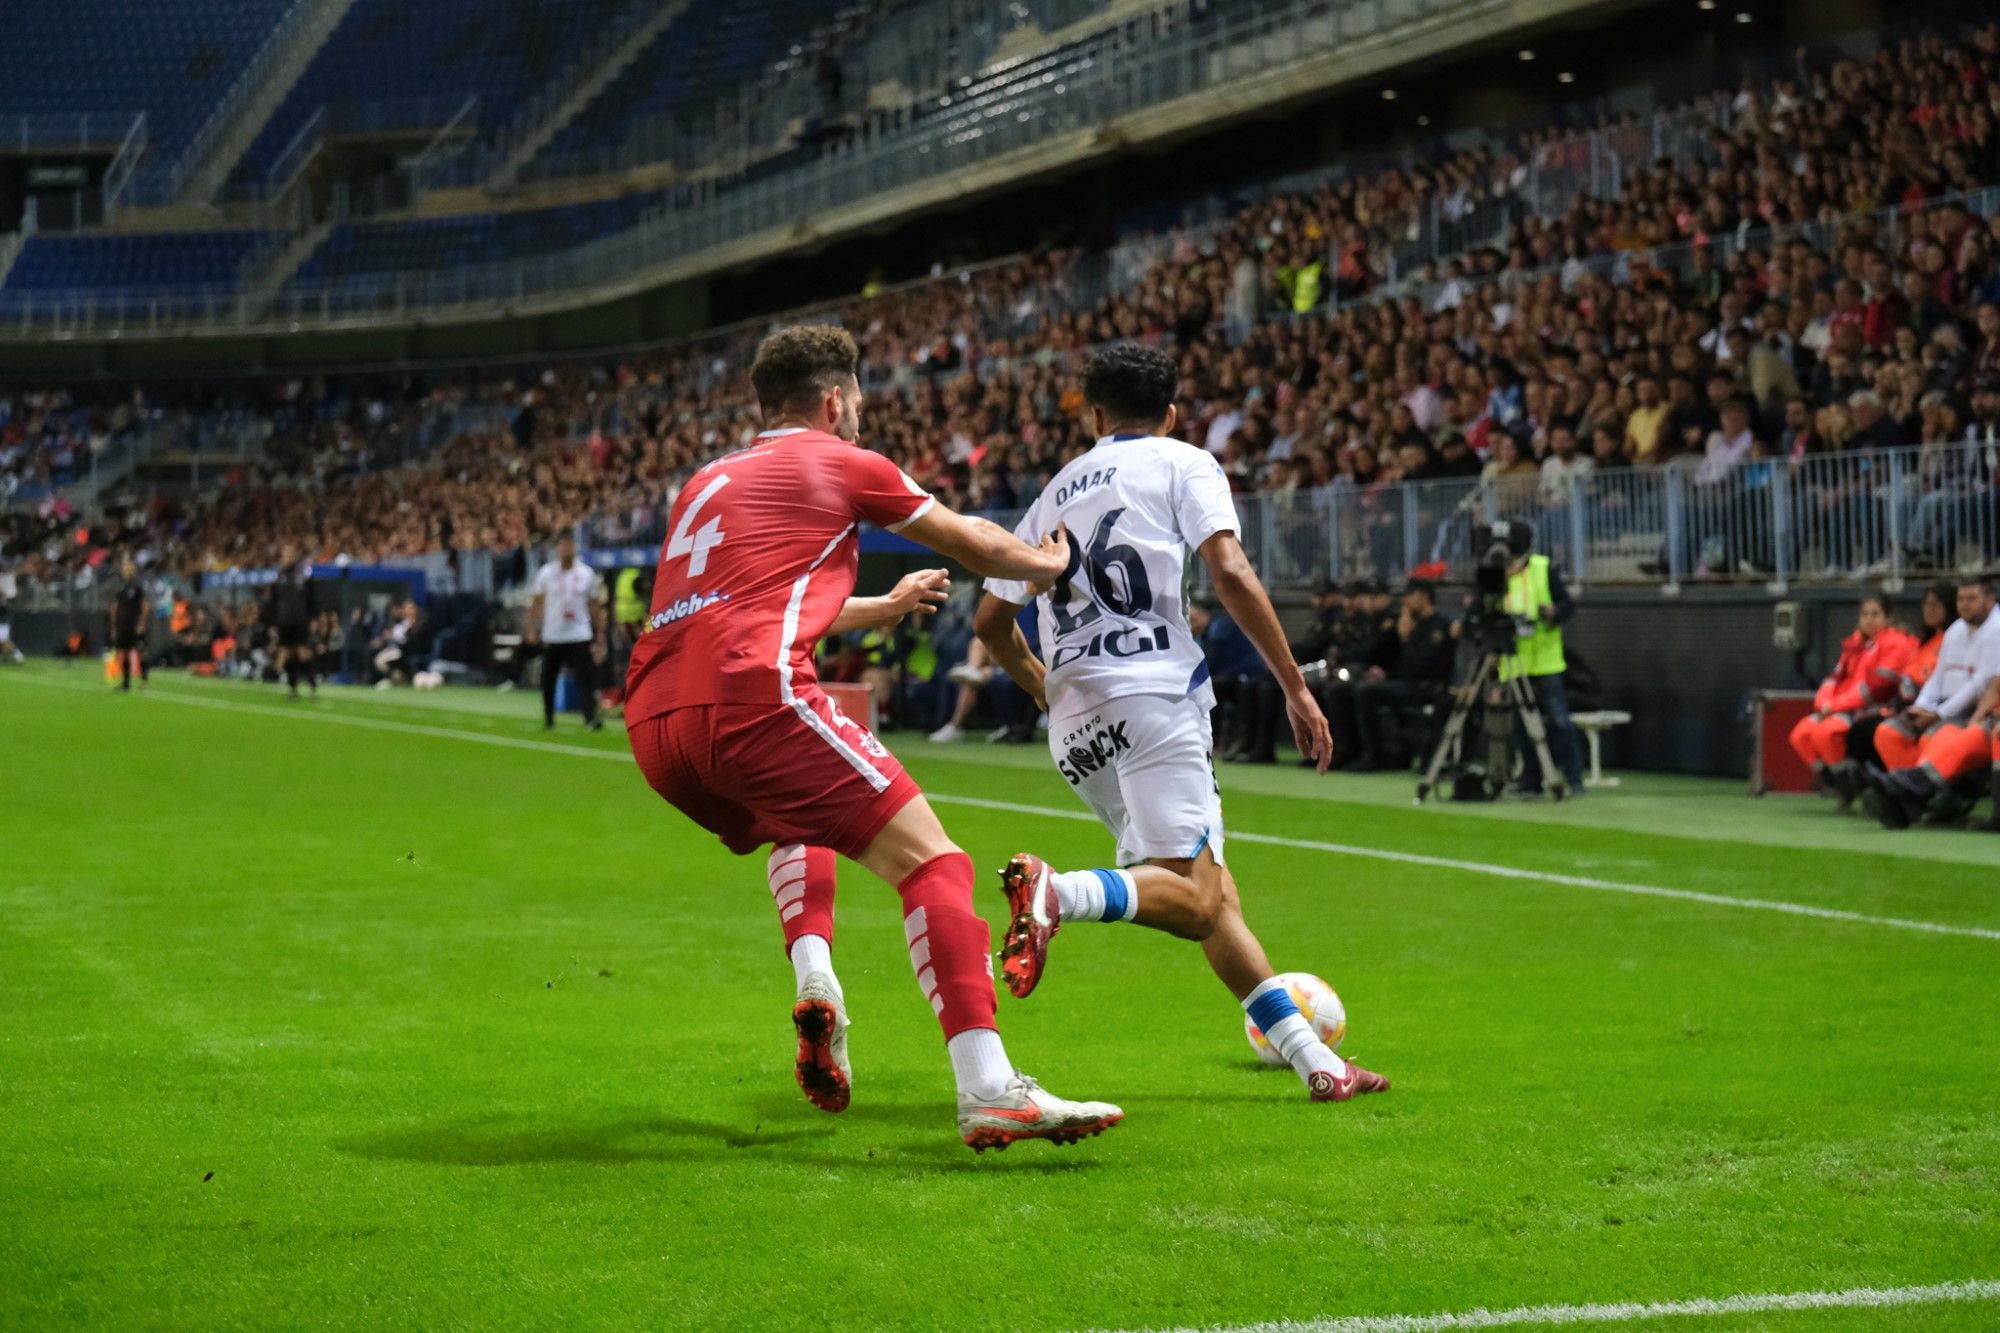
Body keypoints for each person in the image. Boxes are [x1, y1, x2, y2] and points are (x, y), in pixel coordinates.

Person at [622, 324, 1120, 1151]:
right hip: (754, 698)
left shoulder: (706, 480)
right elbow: (973, 539)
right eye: (856, 401)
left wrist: (881, 607)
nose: (860, 416)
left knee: (797, 818)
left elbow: (740, 602)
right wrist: (1052, 563)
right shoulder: (843, 461)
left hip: (656, 721)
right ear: (831, 400)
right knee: (936, 862)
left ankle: (816, 975)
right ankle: (990, 1086)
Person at [971, 341, 1388, 1104]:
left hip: (1076, 725)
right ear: (1170, 411)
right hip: (1155, 698)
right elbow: (1228, 569)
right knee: (1193, 898)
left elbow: (992, 620)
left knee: (1213, 898)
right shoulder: (1183, 461)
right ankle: (1055, 893)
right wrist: (1295, 686)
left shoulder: (1052, 493)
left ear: (1095, 414)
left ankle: (1318, 1064)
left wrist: (1043, 689)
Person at [1864, 577, 2000, 829]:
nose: (1965, 605)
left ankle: (1901, 790)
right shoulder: (1956, 630)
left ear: (1990, 600)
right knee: (1889, 732)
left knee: (1943, 736)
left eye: (1972, 599)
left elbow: (1982, 683)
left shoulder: (1996, 629)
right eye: (1961, 599)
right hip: (1958, 709)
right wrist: (1924, 706)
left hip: (1971, 711)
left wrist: (1940, 714)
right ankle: (1904, 799)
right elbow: (1941, 676)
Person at [1786, 595, 1917, 796]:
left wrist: (1835, 706)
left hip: (1871, 709)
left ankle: (1853, 785)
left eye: (1875, 614)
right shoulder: (1855, 643)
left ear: (1888, 618)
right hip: (1840, 707)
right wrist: (1823, 703)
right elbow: (1835, 677)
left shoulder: (1896, 643)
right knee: (1800, 734)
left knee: (1825, 734)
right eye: (1865, 614)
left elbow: (1877, 688)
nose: (1869, 619)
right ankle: (1835, 781)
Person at [1337, 578, 1455, 772]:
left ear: (1423, 596)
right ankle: (1347, 751)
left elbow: (1420, 665)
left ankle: (1375, 757)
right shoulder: (1412, 622)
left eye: (1409, 595)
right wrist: (1384, 672)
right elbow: (1400, 662)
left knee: (1365, 692)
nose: (1405, 601)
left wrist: (1405, 638)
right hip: (1404, 682)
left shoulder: (1438, 626)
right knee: (1341, 690)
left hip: (1425, 687)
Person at [1500, 535, 1586, 796]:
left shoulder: (1542, 567)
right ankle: (1531, 779)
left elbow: (1568, 606)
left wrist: (1553, 612)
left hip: (1546, 659)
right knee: (1522, 726)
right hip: (1514, 661)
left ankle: (1574, 779)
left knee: (1560, 722)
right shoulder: (1494, 572)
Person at [527, 534, 607, 731]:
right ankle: (548, 717)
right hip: (553, 633)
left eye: (569, 546)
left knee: (586, 677)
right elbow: (537, 602)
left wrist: (600, 632)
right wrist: (531, 627)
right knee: (548, 678)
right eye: (563, 546)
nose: (566, 550)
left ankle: (590, 717)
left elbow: (594, 605)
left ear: (574, 548)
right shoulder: (546, 573)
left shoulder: (586, 573)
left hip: (579, 633)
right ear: (558, 548)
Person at [264, 551, 318, 700]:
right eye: (284, 556)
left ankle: (313, 688)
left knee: (303, 653)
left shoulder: (303, 576)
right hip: (284, 622)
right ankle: (293, 689)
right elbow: (273, 603)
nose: (286, 559)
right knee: (289, 654)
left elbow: (312, 599)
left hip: (300, 621)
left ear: (294, 558)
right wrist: (272, 624)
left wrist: (313, 619)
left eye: (289, 556)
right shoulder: (279, 578)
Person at [107, 558, 149, 692]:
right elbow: (114, 606)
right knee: (123, 653)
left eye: (130, 569)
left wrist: (141, 623)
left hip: (134, 625)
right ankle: (126, 684)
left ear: (134, 571)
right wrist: (114, 625)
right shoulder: (119, 587)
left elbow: (145, 606)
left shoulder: (138, 587)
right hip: (122, 625)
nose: (127, 571)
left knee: (141, 652)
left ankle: (144, 681)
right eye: (125, 569)